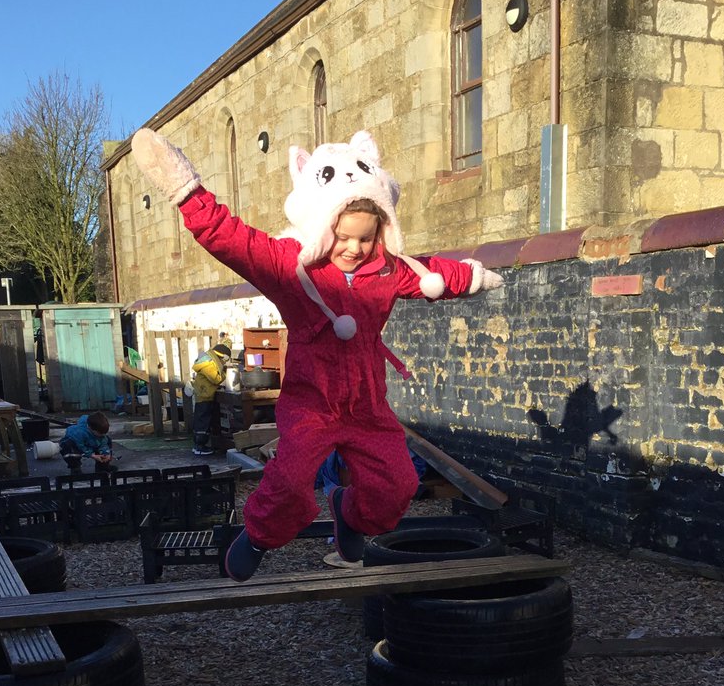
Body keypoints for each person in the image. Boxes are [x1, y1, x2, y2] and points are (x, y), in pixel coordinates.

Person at [132, 127, 503, 581]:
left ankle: (349, 512)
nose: (355, 248)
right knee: (289, 480)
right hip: (313, 402)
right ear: (322, 224)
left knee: (398, 484)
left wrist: (472, 277)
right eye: (344, 237)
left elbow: (433, 275)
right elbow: (230, 238)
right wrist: (184, 189)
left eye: (366, 239)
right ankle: (257, 537)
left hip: (367, 404)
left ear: (382, 230)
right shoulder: (291, 266)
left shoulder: (386, 268)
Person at [187, 342, 232, 455]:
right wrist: (225, 374)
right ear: (222, 356)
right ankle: (200, 447)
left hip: (203, 394)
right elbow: (216, 378)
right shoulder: (210, 363)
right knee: (203, 421)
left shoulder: (208, 359)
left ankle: (199, 445)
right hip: (205, 395)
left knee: (201, 420)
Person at [58, 411, 116, 475]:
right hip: (77, 445)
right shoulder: (79, 433)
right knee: (67, 445)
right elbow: (80, 446)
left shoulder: (100, 432)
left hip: (91, 442)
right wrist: (92, 455)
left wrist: (106, 453)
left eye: (104, 433)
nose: (103, 435)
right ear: (91, 429)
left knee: (108, 440)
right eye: (100, 433)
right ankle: (75, 469)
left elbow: (103, 442)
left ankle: (103, 467)